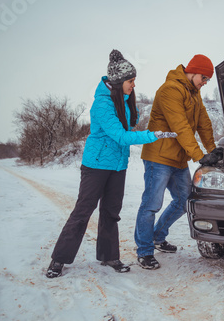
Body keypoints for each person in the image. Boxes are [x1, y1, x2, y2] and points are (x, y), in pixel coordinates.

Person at [46, 49, 177, 278]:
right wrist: (153, 135)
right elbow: (121, 136)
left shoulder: (123, 100)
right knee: (83, 211)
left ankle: (109, 256)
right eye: (130, 81)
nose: (133, 85)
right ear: (117, 82)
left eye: (134, 80)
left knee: (111, 212)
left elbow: (128, 126)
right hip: (96, 166)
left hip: (117, 166)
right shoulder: (102, 105)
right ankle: (59, 259)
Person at [134, 54, 222, 270]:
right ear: (192, 71)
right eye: (204, 77)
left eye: (207, 80)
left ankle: (157, 236)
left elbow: (204, 123)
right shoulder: (170, 90)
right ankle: (144, 251)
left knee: (184, 201)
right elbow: (179, 126)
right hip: (159, 158)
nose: (205, 82)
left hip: (178, 159)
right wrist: (199, 155)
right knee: (151, 204)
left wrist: (213, 151)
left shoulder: (194, 93)